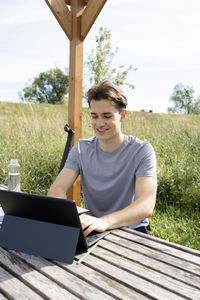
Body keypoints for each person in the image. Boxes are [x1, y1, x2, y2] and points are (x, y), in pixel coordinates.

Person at [48, 80, 157, 236]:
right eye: (94, 116)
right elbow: (56, 189)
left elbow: (146, 205)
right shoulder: (81, 149)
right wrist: (72, 218)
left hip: (132, 230)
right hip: (94, 230)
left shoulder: (142, 150)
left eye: (107, 116)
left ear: (122, 115)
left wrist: (105, 221)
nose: (99, 123)